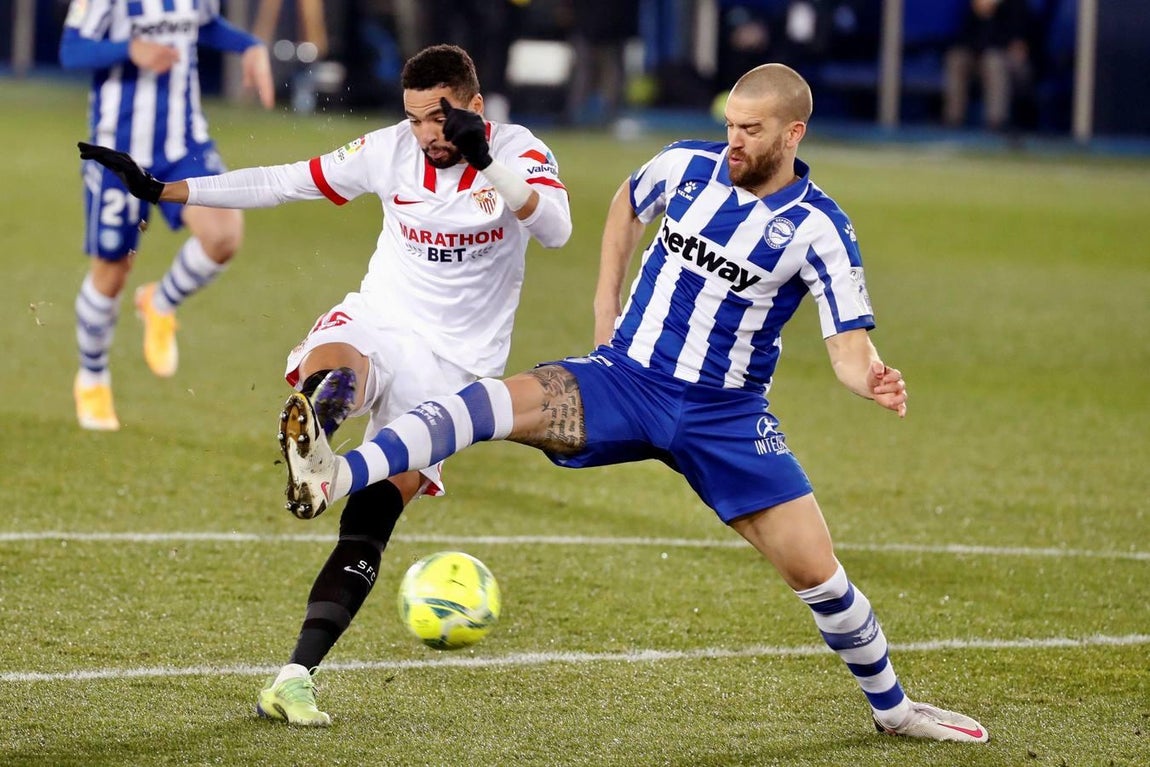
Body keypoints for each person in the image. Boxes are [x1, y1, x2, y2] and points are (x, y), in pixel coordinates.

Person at [278, 62, 990, 743]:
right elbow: (626, 200)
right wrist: (604, 303)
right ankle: (332, 475)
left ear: (792, 133)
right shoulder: (686, 164)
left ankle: (893, 710)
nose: (733, 141)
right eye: (731, 125)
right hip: (623, 381)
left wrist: (869, 377)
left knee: (817, 572)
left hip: (726, 418)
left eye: (750, 130)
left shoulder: (819, 228)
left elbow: (847, 344)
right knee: (477, 406)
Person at [80, 43, 572, 725]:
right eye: (417, 119)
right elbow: (286, 180)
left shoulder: (519, 152)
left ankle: (293, 678)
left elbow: (556, 228)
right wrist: (167, 189)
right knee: (344, 365)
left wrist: (485, 157)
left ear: (474, 106)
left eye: (441, 117)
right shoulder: (392, 149)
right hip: (380, 318)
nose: (428, 134)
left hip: (454, 370)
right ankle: (311, 439)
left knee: (371, 519)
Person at [61, 0, 275, 431]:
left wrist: (249, 45)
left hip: (184, 145)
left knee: (223, 236)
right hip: (118, 150)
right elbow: (71, 51)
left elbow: (204, 25)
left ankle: (159, 302)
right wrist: (128, 49)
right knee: (112, 271)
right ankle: (93, 377)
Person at [942, 0, 1033, 131]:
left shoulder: (1018, 7)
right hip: (980, 60)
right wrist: (985, 16)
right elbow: (966, 41)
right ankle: (952, 119)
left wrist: (995, 11)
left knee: (993, 60)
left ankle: (996, 122)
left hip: (1016, 68)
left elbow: (1018, 47)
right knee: (956, 57)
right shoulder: (974, 8)